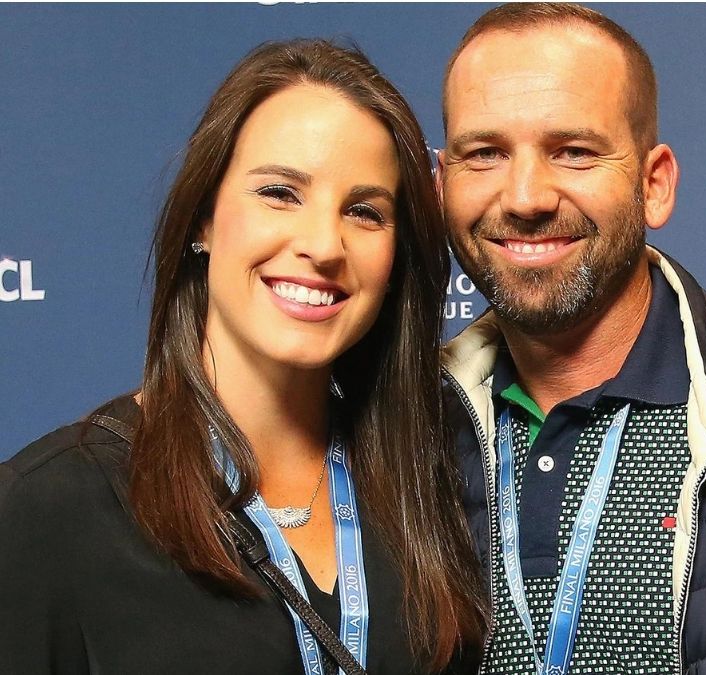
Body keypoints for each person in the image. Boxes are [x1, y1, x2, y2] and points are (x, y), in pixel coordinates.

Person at [0, 39, 484, 673]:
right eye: (280, 193)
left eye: (364, 212)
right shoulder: (49, 506)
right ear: (204, 218)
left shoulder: (436, 480)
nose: (323, 244)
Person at [438, 4, 706, 673]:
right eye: (485, 154)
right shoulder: (398, 430)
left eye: (572, 152)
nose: (525, 197)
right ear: (441, 184)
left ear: (654, 185)